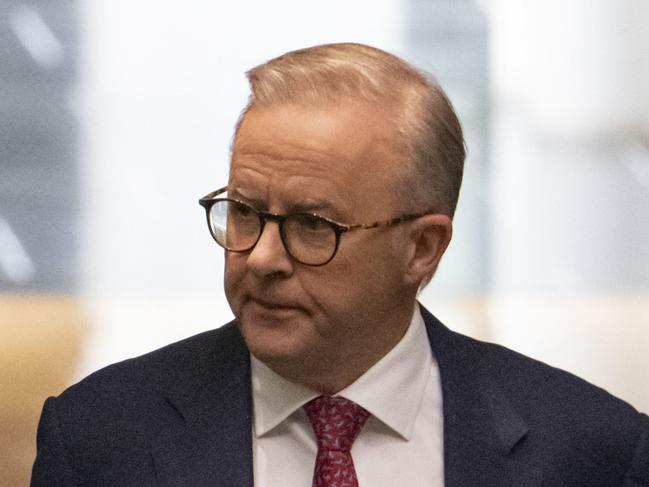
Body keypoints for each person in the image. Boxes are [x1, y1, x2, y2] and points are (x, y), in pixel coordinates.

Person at [32, 43, 648, 487]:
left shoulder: (593, 450)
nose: (264, 257)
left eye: (312, 226)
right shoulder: (97, 439)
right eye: (244, 211)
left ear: (422, 249)